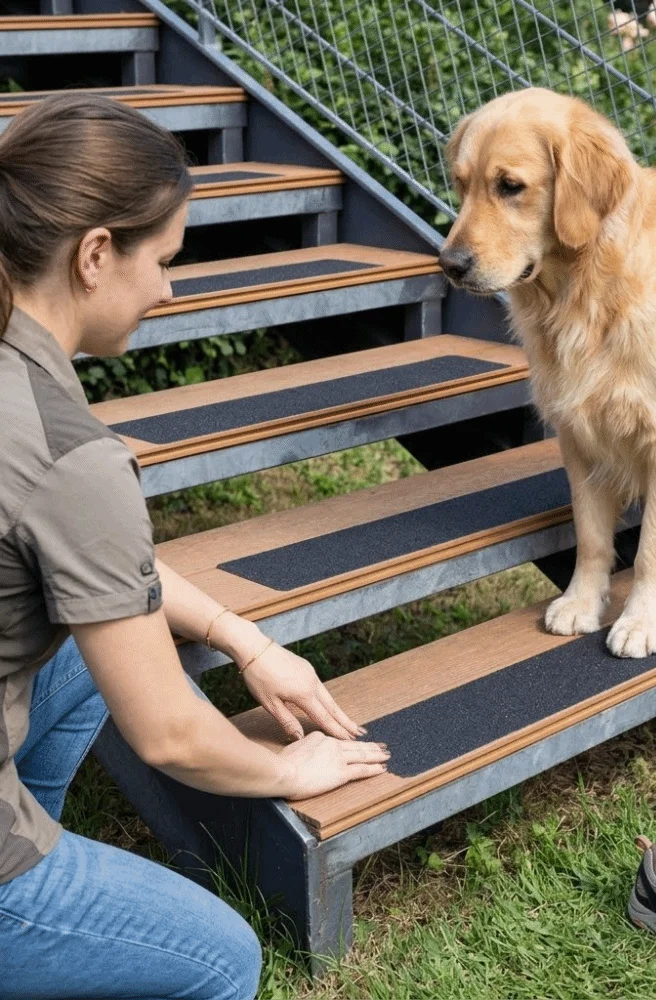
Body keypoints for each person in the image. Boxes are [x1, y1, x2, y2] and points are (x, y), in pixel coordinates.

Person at [0, 93, 391, 999]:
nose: (171, 290)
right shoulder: (73, 455)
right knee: (220, 961)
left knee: (85, 657)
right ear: (96, 254)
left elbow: (97, 563)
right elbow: (172, 737)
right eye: (165, 261)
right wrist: (287, 768)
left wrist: (242, 638)